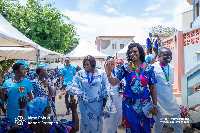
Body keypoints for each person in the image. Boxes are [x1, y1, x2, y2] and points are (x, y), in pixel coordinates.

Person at [105, 43, 158, 133]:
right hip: (129, 104)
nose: (132, 54)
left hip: (145, 105)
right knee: (131, 129)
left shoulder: (149, 68)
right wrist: (109, 75)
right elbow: (115, 82)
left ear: (140, 52)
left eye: (135, 51)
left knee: (145, 129)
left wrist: (155, 106)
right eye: (130, 52)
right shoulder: (125, 68)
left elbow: (153, 88)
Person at [59, 55, 114, 133]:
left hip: (97, 104)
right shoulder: (80, 73)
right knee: (85, 122)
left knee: (96, 122)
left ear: (92, 64)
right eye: (84, 64)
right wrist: (66, 91)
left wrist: (110, 94)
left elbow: (106, 85)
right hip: (84, 103)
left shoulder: (101, 73)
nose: (85, 66)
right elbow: (73, 82)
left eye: (87, 64)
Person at [152, 47, 183, 133]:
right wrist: (154, 104)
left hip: (171, 103)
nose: (168, 56)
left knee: (179, 126)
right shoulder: (153, 68)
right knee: (157, 128)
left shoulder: (171, 68)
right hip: (159, 104)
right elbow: (151, 87)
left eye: (170, 55)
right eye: (165, 55)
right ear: (159, 56)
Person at [104, 56, 123, 133]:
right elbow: (104, 86)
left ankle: (114, 131)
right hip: (109, 100)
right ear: (106, 64)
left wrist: (121, 88)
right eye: (110, 64)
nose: (111, 66)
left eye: (113, 64)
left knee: (117, 119)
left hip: (118, 98)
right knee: (109, 121)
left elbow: (122, 82)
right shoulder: (104, 73)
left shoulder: (117, 72)